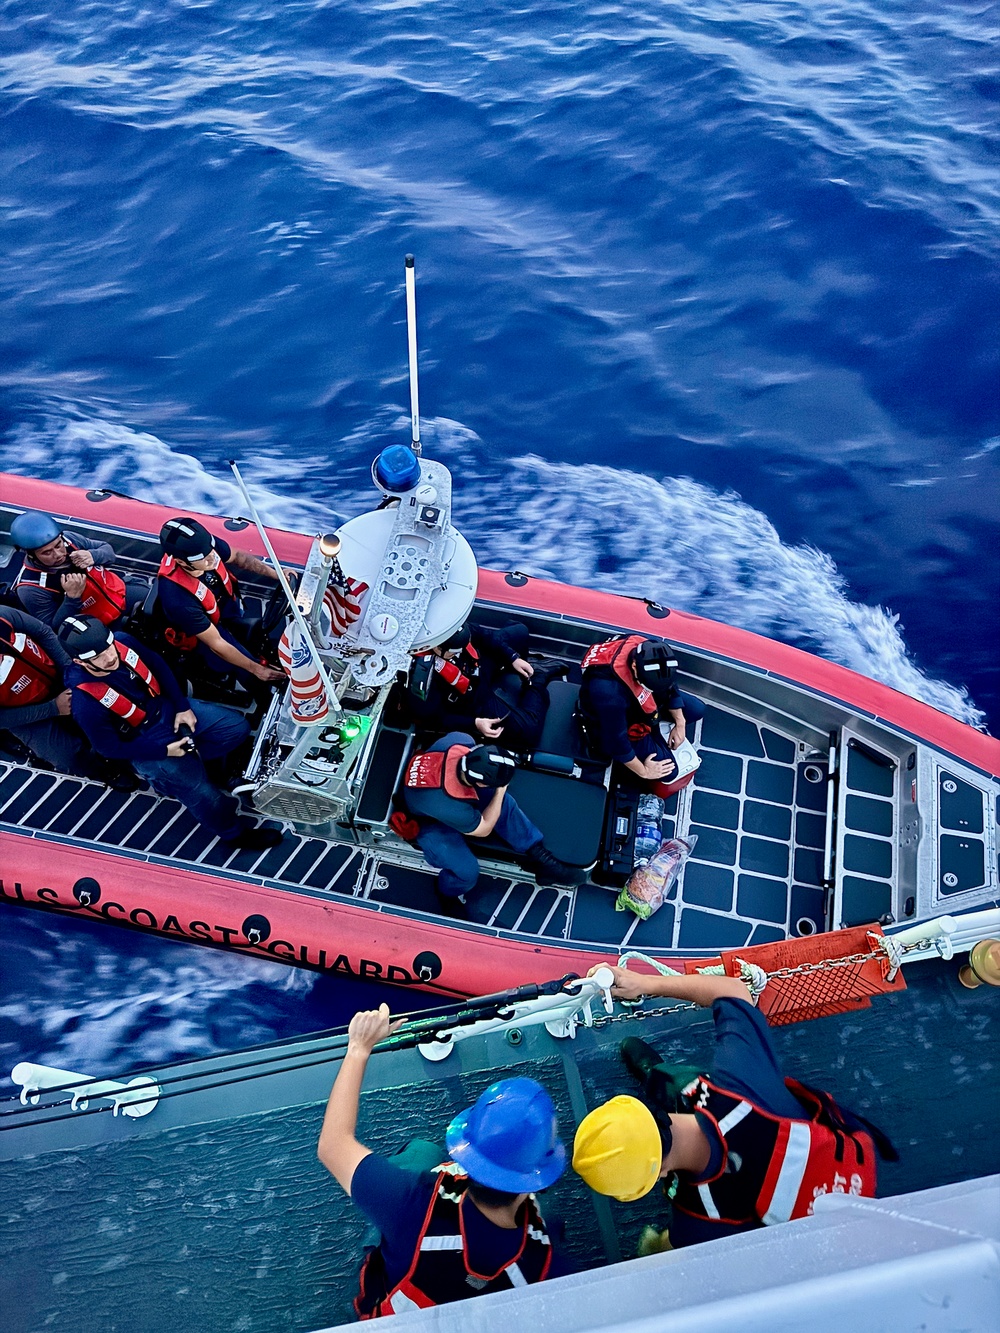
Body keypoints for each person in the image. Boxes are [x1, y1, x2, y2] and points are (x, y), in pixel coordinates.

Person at [571, 967, 897, 1250]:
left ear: (658, 1175)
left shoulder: (695, 1223)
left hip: (815, 1212)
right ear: (644, 1110)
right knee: (691, 1082)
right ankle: (658, 1072)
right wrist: (643, 983)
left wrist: (654, 1247)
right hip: (834, 1157)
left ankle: (655, 1074)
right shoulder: (741, 1082)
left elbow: (673, 1246)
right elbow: (732, 989)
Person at [317, 1002, 572, 1316]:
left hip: (397, 1300)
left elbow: (332, 1145)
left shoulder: (411, 1205)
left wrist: (359, 1047)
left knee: (423, 1153)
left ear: (470, 1155)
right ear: (535, 1178)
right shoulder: (544, 1263)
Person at [61, 614, 283, 851]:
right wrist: (164, 750)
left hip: (167, 709)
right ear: (82, 663)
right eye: (98, 657)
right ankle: (234, 834)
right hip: (144, 741)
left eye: (108, 648)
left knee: (236, 729)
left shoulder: (122, 642)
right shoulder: (86, 704)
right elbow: (107, 747)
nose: (109, 658)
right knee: (204, 795)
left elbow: (156, 664)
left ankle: (193, 765)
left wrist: (181, 706)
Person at [397, 732, 585, 904]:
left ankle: (543, 861)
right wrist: (500, 790)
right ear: (478, 781)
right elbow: (484, 828)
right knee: (467, 871)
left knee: (503, 803)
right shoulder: (450, 808)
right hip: (426, 820)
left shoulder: (460, 739)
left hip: (441, 791)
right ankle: (447, 893)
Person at [0, 607, 135, 787]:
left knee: (109, 695)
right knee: (66, 756)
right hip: (23, 711)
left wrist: (71, 673)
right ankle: (101, 771)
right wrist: (53, 708)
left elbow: (42, 631)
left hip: (59, 670)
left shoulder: (3, 616)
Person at [156, 517, 286, 690]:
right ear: (181, 562)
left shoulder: (204, 547)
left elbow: (239, 557)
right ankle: (261, 694)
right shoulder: (178, 600)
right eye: (203, 558)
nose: (212, 558)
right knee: (246, 667)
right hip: (205, 629)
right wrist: (256, 669)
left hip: (224, 606)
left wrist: (278, 574)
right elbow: (217, 643)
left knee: (250, 633)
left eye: (211, 551)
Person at [406, 621, 564, 751]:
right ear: (437, 647)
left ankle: (522, 665)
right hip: (473, 700)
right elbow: (435, 718)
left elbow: (484, 636)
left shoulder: (451, 625)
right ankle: (538, 676)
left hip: (478, 666)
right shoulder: (421, 680)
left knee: (520, 631)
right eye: (454, 652)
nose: (460, 651)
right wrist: (474, 723)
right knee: (529, 731)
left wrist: (512, 658)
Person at [577, 635, 705, 795]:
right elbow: (616, 742)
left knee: (697, 709)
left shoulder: (649, 651)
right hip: (612, 720)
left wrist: (680, 722)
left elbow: (669, 687)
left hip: (639, 704)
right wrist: (644, 771)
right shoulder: (608, 693)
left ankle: (656, 732)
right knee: (669, 771)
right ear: (634, 666)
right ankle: (653, 737)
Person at [10, 510, 133, 631]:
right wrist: (72, 597)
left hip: (117, 591)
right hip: (93, 625)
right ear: (31, 555)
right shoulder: (30, 588)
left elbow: (108, 552)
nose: (58, 554)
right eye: (47, 552)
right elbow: (54, 629)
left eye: (58, 545)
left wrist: (93, 556)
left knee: (151, 603)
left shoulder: (69, 539)